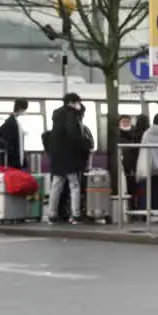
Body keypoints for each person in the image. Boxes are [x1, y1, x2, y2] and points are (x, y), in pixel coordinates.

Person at [46, 94, 89, 224]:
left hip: (57, 156)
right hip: (70, 156)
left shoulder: (57, 114)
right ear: (71, 102)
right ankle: (75, 214)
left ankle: (52, 214)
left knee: (56, 185)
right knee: (74, 185)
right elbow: (73, 135)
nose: (79, 105)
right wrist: (84, 146)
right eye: (77, 102)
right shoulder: (71, 115)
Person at [0, 98, 29, 170]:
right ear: (20, 109)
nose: (25, 112)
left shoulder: (15, 121)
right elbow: (7, 140)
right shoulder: (11, 122)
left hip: (17, 158)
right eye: (25, 109)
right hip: (13, 160)